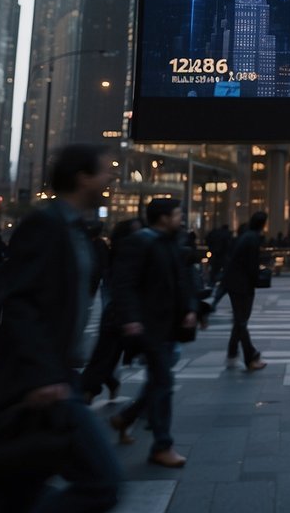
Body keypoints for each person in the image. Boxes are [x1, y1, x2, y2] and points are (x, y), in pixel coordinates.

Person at [0, 144, 121, 511]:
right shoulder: (46, 224)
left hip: (54, 378)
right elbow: (20, 303)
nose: (110, 177)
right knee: (102, 482)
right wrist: (43, 377)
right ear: (83, 178)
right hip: (39, 383)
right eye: (104, 171)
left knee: (15, 484)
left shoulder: (76, 230)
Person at [108, 199, 198, 467]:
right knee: (164, 383)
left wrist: (190, 309)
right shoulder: (141, 242)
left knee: (159, 380)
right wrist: (131, 319)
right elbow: (124, 284)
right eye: (177, 214)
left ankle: (127, 417)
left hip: (167, 325)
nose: (180, 219)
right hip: (150, 325)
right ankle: (162, 445)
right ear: (163, 218)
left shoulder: (169, 241)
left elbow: (180, 280)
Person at [81, 218, 144, 403]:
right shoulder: (129, 252)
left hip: (119, 310)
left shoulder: (118, 250)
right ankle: (93, 389)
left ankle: (97, 387)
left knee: (106, 353)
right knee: (107, 352)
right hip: (125, 312)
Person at [222, 211, 268, 372]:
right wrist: (257, 280)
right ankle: (250, 356)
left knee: (239, 320)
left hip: (235, 282)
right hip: (242, 285)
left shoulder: (246, 236)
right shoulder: (253, 239)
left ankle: (232, 353)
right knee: (241, 321)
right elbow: (251, 265)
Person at [206, 223, 233, 308]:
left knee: (214, 273)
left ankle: (212, 284)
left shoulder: (215, 234)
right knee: (223, 280)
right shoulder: (227, 235)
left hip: (215, 256)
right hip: (223, 257)